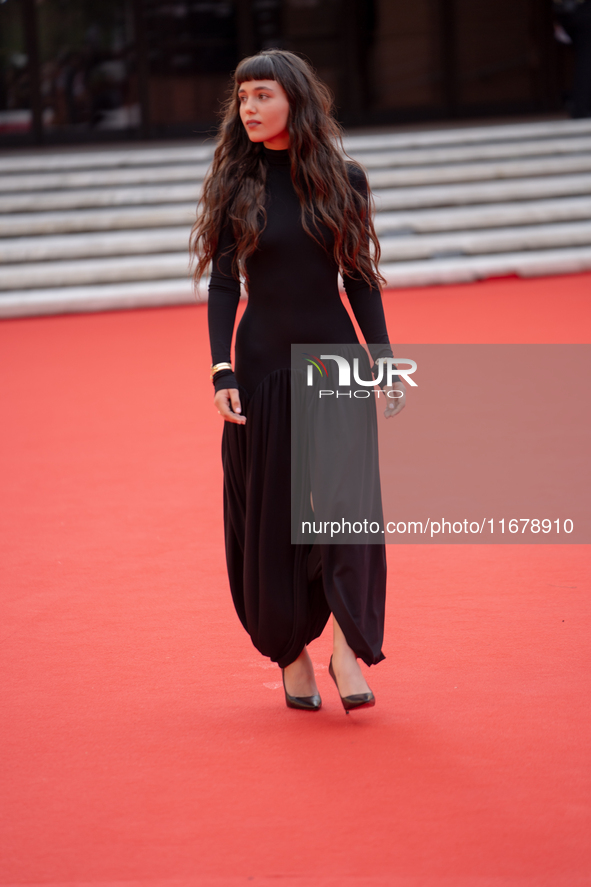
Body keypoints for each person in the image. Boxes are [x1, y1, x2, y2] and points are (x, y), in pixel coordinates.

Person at [191, 49, 404, 713]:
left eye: (262, 95)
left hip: (333, 359)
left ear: (294, 100)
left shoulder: (345, 180)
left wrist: (384, 358)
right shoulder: (237, 183)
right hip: (262, 368)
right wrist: (220, 368)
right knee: (272, 516)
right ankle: (290, 654)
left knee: (349, 512)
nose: (248, 108)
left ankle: (347, 645)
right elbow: (225, 284)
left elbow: (360, 278)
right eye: (242, 96)